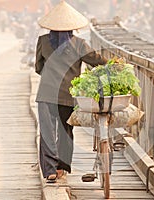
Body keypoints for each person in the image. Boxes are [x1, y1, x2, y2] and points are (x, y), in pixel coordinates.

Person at [35, 1, 107, 183]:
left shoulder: (43, 41)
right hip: (68, 95)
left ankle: (50, 170)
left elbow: (38, 67)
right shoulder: (80, 44)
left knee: (47, 132)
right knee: (66, 131)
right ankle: (61, 168)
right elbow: (98, 61)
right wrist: (116, 64)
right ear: (72, 27)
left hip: (46, 94)